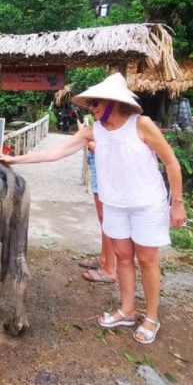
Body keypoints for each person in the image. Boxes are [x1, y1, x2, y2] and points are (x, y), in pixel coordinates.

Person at [0, 73, 186, 345]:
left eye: (96, 103)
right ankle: (127, 310)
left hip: (147, 203)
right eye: (91, 104)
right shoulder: (92, 130)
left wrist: (176, 204)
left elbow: (171, 163)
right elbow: (55, 153)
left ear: (113, 102)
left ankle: (152, 316)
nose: (92, 108)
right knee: (122, 257)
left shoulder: (141, 125)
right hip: (114, 204)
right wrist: (14, 159)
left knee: (146, 260)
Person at [77, 119, 117, 283]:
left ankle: (110, 268)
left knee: (108, 219)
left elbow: (108, 151)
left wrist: (88, 141)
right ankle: (104, 259)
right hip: (98, 168)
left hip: (107, 171)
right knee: (103, 218)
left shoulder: (119, 125)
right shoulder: (103, 124)